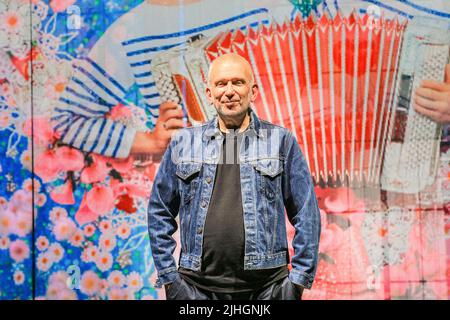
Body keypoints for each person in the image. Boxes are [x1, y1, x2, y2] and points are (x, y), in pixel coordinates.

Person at [147, 53, 321, 300]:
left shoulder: (281, 141)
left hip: (267, 289)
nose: (229, 91)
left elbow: (306, 212)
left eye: (238, 82)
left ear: (254, 92)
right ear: (209, 94)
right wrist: (170, 278)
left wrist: (297, 282)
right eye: (221, 84)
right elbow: (158, 210)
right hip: (196, 290)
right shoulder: (183, 143)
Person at [51, 0, 293, 159]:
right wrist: (149, 142)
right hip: (201, 191)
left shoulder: (266, 7)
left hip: (274, 180)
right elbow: (67, 119)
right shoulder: (129, 32)